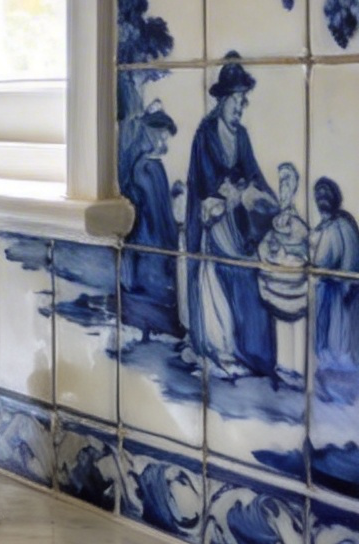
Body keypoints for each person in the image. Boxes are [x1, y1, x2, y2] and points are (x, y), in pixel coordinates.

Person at [184, 56, 278, 376]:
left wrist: (269, 199)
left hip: (237, 222)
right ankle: (221, 348)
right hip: (214, 223)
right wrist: (231, 192)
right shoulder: (205, 134)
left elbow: (254, 173)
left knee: (249, 274)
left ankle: (256, 355)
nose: (240, 107)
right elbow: (204, 183)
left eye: (243, 101)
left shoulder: (242, 136)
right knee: (223, 279)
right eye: (236, 100)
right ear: (222, 100)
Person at [119, 101, 182, 339]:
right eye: (161, 135)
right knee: (153, 282)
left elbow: (161, 204)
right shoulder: (145, 168)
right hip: (149, 237)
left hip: (156, 236)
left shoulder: (155, 166)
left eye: (165, 136)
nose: (164, 140)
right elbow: (153, 209)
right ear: (151, 134)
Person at [257, 160, 308, 388]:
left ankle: (298, 369)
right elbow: (264, 245)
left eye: (287, 183)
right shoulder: (276, 219)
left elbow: (304, 246)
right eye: (281, 183)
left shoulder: (298, 223)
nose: (283, 189)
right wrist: (271, 251)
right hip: (277, 282)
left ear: (294, 187)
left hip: (294, 284)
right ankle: (284, 367)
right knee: (281, 325)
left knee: (298, 326)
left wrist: (287, 252)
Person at [313, 175, 359, 370]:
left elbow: (324, 259)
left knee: (337, 335)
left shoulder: (339, 226)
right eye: (318, 193)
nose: (321, 197)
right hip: (334, 287)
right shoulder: (329, 225)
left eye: (325, 192)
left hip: (338, 289)